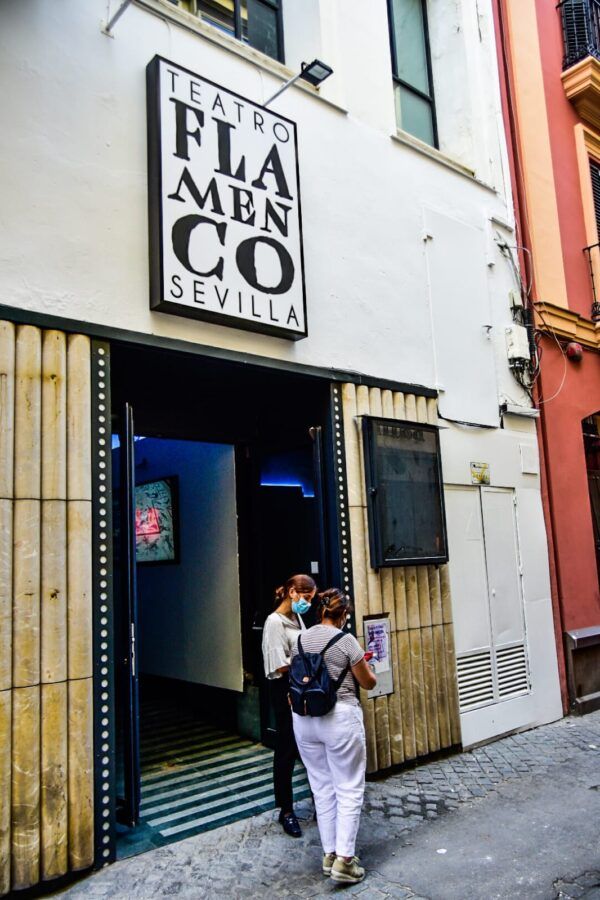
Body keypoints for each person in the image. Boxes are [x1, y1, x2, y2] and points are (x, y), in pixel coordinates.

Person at [291, 588, 376, 885]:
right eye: (347, 615)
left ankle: (329, 855)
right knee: (349, 788)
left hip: (304, 719)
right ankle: (345, 861)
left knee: (322, 788)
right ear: (342, 615)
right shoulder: (346, 640)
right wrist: (366, 664)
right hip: (340, 717)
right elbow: (368, 682)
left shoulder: (301, 638)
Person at [262, 573, 317, 837]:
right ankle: (286, 810)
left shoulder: (297, 618)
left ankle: (319, 800)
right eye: (305, 597)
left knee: (308, 746)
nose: (307, 603)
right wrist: (308, 663)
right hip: (284, 689)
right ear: (292, 592)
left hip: (301, 686)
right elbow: (279, 663)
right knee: (285, 749)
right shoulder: (274, 622)